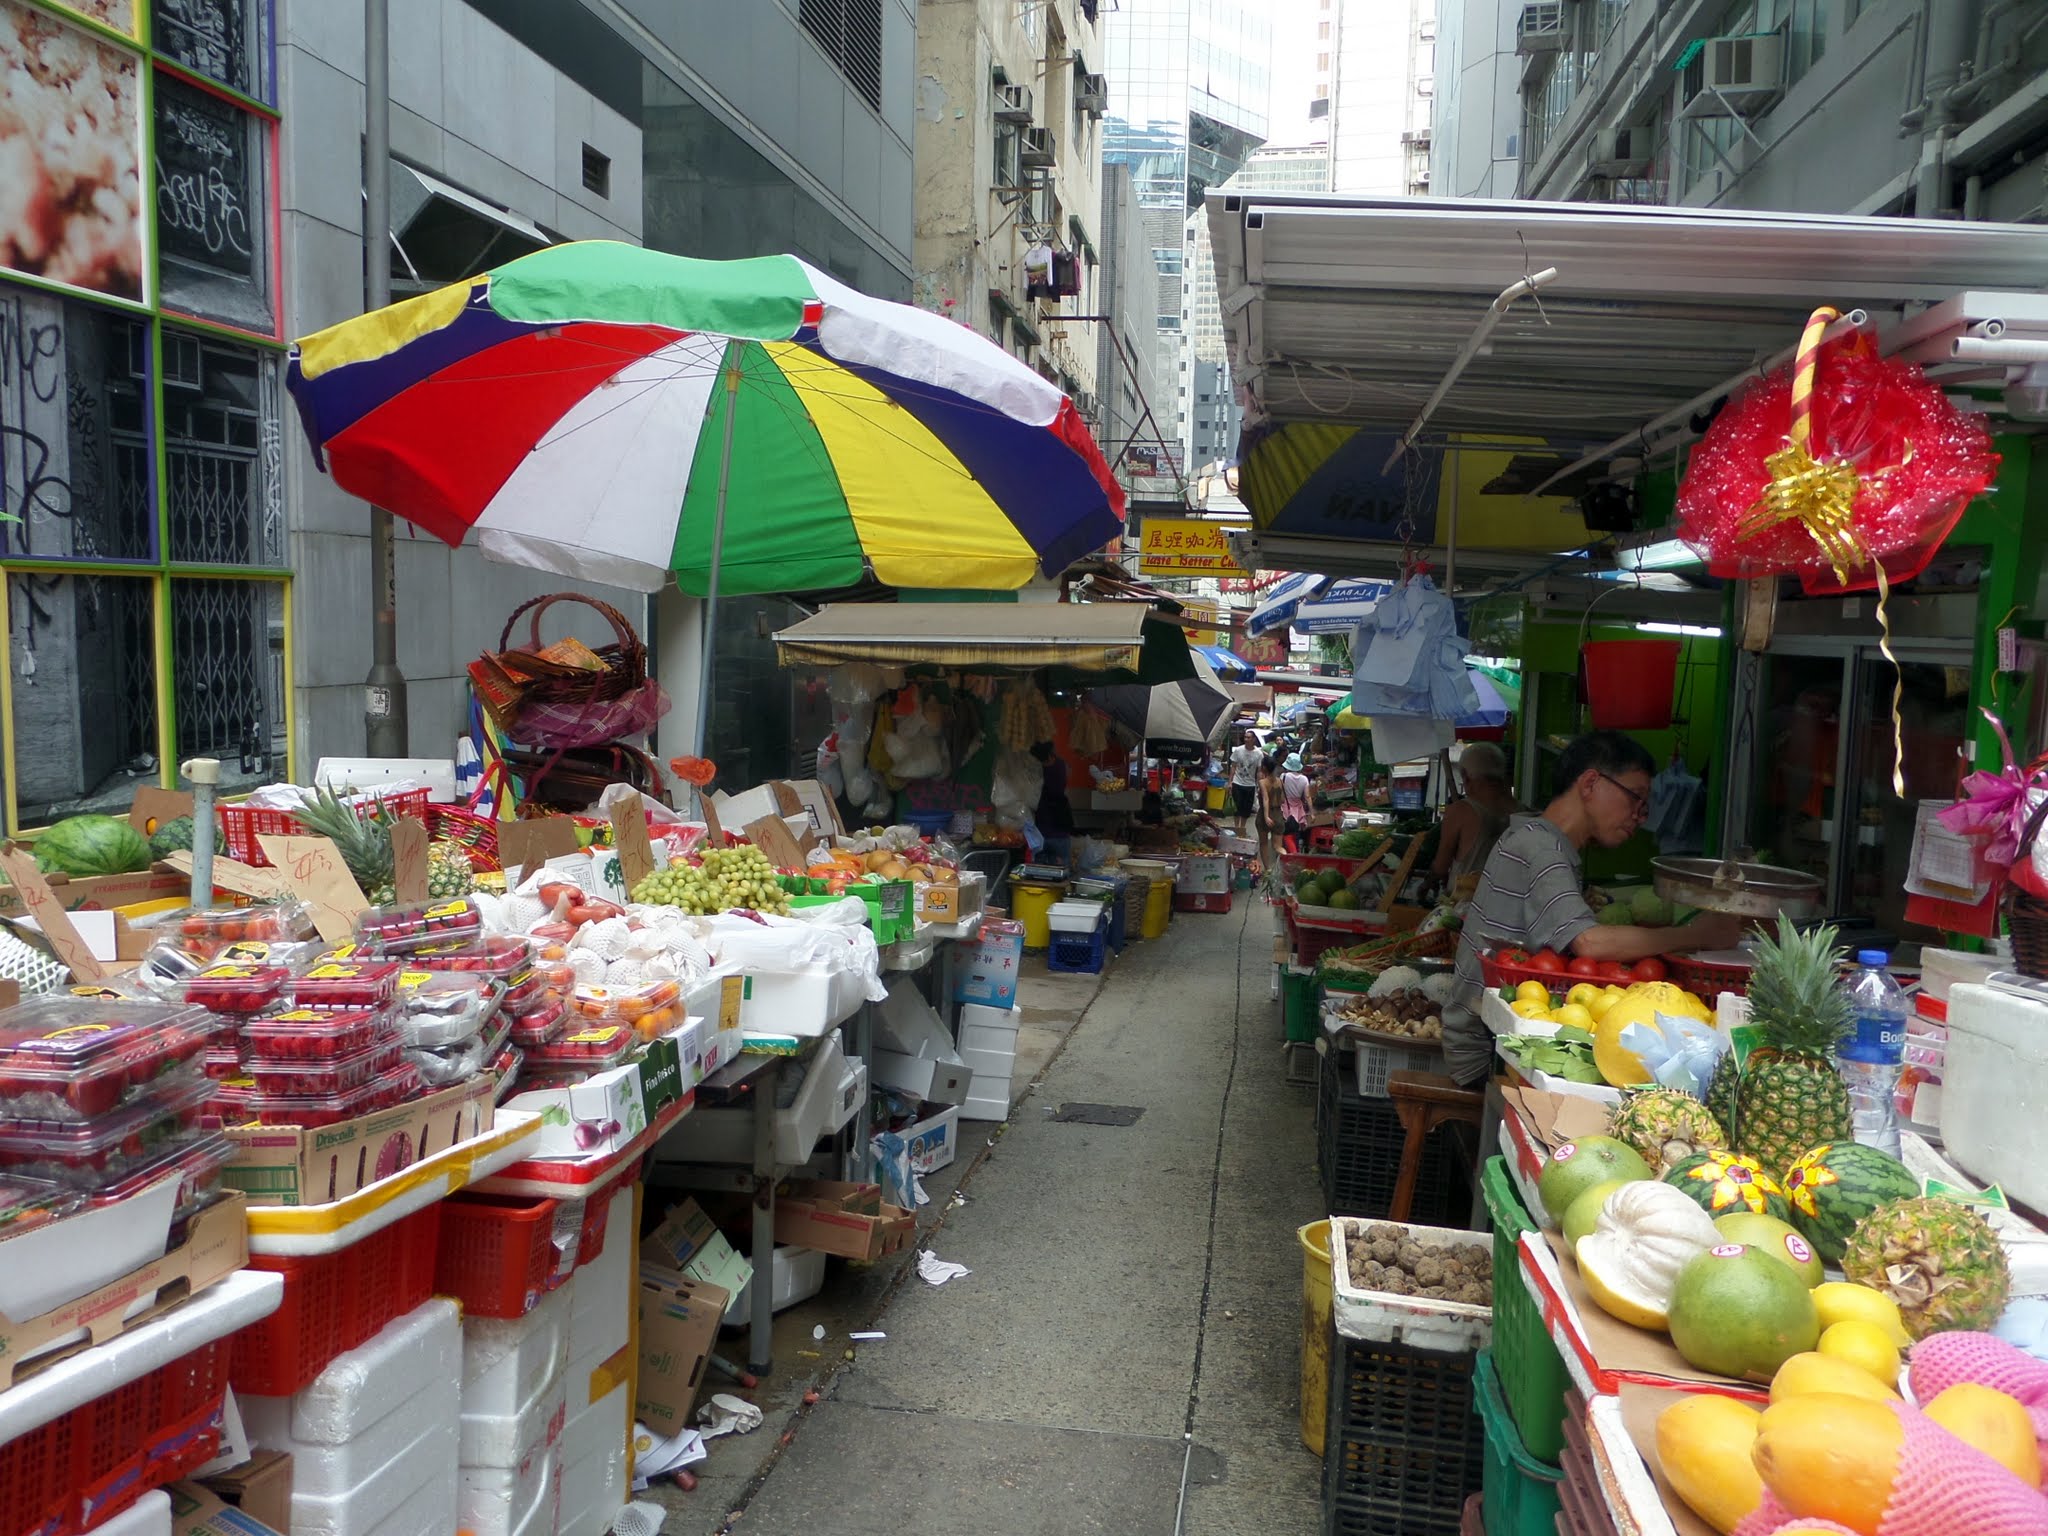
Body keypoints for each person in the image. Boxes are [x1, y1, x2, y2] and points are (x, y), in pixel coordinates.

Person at [1441, 731, 1749, 1090]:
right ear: (1590, 783)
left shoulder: (1543, 840)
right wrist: (1698, 934)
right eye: (1636, 798)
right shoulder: (1541, 848)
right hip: (1483, 1052)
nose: (1640, 816)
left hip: (1491, 1036)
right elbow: (1588, 942)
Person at [1427, 742, 1519, 900]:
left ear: (1465, 775)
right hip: (1509, 907)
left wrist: (1426, 884)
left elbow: (1441, 867)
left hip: (1466, 909)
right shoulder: (1524, 812)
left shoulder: (1460, 811)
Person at [1031, 741, 1074, 866]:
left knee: (1038, 875)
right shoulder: (1061, 765)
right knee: (1061, 874)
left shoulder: (1035, 769)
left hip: (1039, 833)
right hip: (1060, 830)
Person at [1227, 729, 1263, 834]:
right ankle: (1236, 828)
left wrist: (1259, 785)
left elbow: (1259, 771)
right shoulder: (1238, 750)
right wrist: (1230, 782)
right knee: (1236, 808)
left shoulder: (1259, 754)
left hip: (1250, 784)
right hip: (1237, 782)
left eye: (1249, 737)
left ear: (1254, 739)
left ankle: (1242, 829)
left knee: (1246, 809)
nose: (1246, 739)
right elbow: (1233, 767)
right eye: (1245, 737)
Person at [1278, 752, 1314, 854]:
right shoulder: (1304, 779)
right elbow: (1307, 796)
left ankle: (1292, 854)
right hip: (1298, 808)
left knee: (1287, 832)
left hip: (1285, 807)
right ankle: (1296, 852)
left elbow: (1280, 792)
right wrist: (1312, 813)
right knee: (1296, 832)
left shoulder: (1284, 776)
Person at [1256, 750, 1284, 877]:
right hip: (1278, 814)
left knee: (1263, 843)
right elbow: (1282, 799)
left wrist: (1266, 816)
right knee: (1277, 846)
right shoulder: (1280, 781)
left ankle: (1268, 870)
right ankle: (1288, 860)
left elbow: (1265, 799)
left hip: (1264, 815)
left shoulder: (1263, 782)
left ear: (1264, 768)